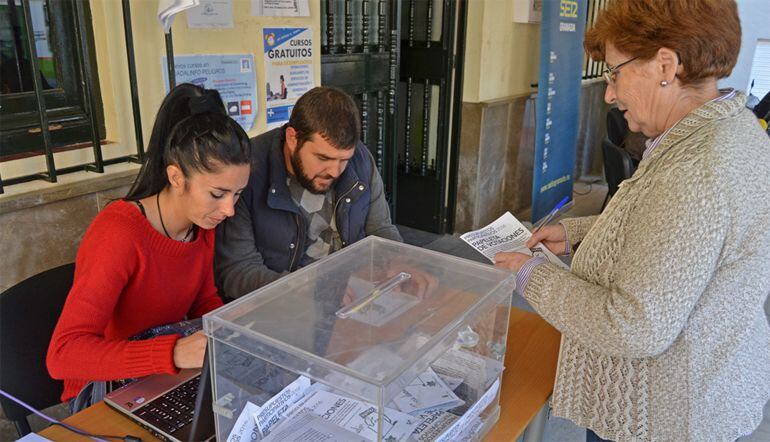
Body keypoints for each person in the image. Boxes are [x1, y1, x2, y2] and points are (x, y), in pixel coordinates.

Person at [494, 1, 770, 441]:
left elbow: (633, 326)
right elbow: (661, 230)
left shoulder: (697, 167)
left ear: (665, 64)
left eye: (616, 72)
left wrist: (531, 275)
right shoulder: (724, 130)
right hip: (705, 390)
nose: (609, 94)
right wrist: (575, 234)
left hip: (667, 417)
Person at [46, 83, 252, 405]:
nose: (229, 210)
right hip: (103, 392)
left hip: (163, 376)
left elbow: (203, 300)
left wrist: (229, 330)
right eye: (217, 194)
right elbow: (63, 354)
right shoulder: (120, 233)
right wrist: (174, 353)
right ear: (176, 177)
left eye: (237, 194)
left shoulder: (201, 225)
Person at [215, 86, 402, 299]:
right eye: (323, 158)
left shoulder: (360, 160)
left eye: (343, 160)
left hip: (351, 297)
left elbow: (380, 229)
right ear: (293, 139)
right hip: (280, 306)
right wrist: (313, 290)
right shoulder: (247, 171)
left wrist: (402, 262)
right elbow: (237, 272)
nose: (334, 171)